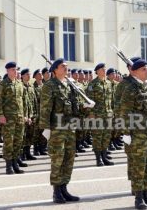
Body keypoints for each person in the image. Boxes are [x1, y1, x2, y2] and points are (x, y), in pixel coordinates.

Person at [40, 58, 93, 203]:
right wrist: (45, 128)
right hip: (57, 128)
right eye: (63, 66)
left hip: (70, 128)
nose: (66, 68)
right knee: (58, 159)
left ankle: (64, 188)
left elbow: (75, 106)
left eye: (67, 66)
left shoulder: (71, 85)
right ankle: (56, 191)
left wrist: (85, 107)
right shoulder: (49, 86)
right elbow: (45, 108)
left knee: (69, 158)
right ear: (55, 69)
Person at [120, 59, 147, 209]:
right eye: (144, 69)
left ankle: (146, 194)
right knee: (139, 165)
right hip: (137, 133)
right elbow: (124, 112)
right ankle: (138, 198)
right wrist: (126, 132)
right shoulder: (130, 88)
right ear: (135, 71)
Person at [0, 62, 25, 174]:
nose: (15, 72)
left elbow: (21, 101)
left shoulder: (19, 84)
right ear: (7, 71)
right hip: (8, 118)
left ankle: (15, 164)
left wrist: (24, 115)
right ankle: (8, 166)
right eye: (13, 70)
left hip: (19, 117)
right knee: (9, 141)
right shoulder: (2, 84)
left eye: (16, 70)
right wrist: (0, 115)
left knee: (18, 141)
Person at [86, 63, 114, 166]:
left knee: (106, 137)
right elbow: (89, 101)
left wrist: (112, 112)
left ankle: (104, 157)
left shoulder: (108, 83)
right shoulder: (92, 84)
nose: (104, 70)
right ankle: (98, 159)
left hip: (108, 114)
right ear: (97, 71)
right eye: (102, 69)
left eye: (105, 69)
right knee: (98, 137)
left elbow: (111, 100)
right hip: (97, 115)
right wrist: (91, 114)